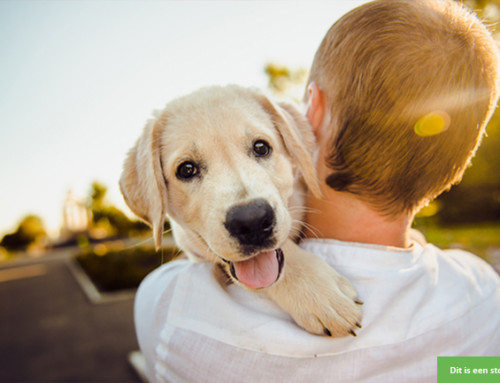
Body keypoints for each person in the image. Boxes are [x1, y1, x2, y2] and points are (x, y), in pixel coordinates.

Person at [134, 0, 500, 382]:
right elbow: (478, 374)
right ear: (458, 160)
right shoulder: (482, 300)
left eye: (260, 149)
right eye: (189, 169)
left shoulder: (172, 312)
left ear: (313, 110)